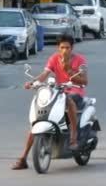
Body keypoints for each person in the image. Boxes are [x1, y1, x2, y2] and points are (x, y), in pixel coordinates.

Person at [11, 34, 88, 170]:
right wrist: (33, 82)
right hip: (57, 90)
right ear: (58, 48)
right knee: (38, 118)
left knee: (68, 99)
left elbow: (84, 81)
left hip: (74, 91)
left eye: (67, 47)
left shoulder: (79, 60)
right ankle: (23, 158)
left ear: (72, 48)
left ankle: (74, 136)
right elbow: (44, 74)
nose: (65, 50)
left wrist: (69, 71)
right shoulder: (54, 59)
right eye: (62, 47)